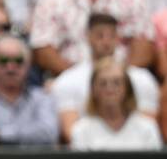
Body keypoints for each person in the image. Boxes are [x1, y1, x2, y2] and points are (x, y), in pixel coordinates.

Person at [51, 13, 160, 143]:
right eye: (100, 35)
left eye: (112, 36)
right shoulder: (67, 81)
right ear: (88, 37)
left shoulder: (143, 80)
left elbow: (147, 128)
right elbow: (71, 135)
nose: (106, 42)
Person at [69, 57, 163, 150]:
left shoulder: (147, 128)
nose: (110, 89)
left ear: (127, 88)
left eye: (116, 82)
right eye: (103, 83)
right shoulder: (81, 129)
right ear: (93, 90)